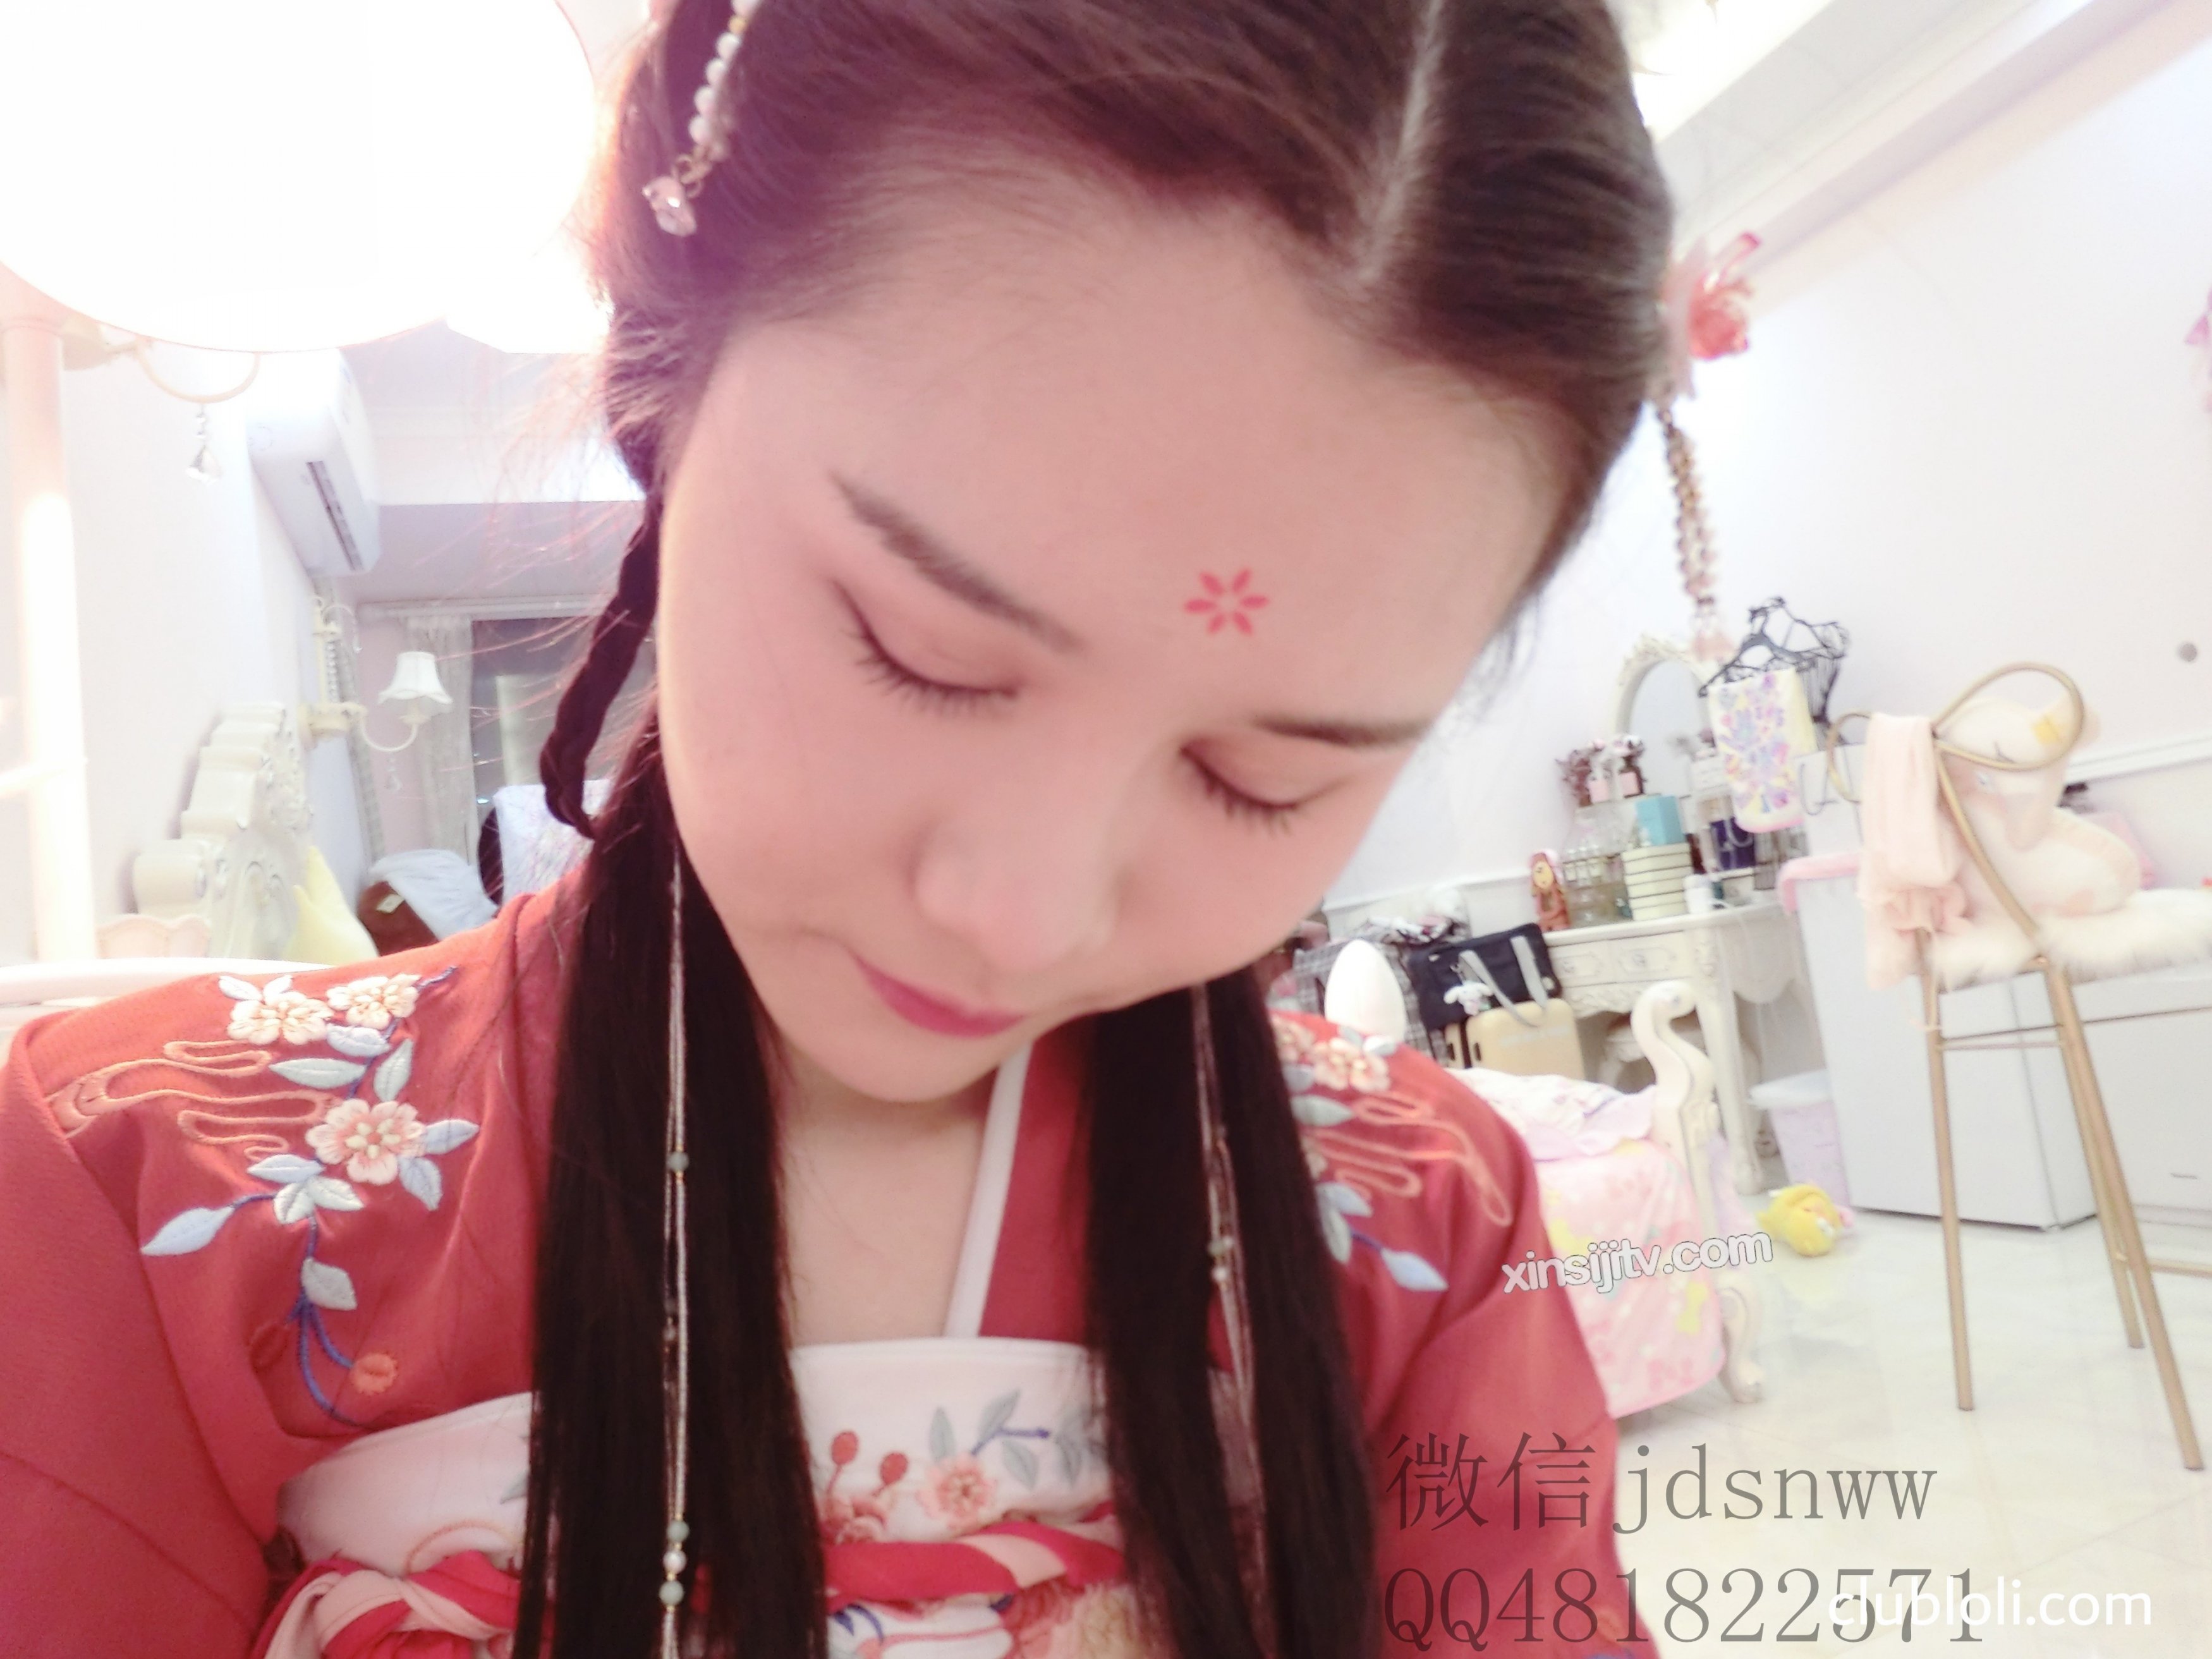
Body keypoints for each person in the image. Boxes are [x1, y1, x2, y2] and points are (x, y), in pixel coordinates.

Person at [0, 1, 1672, 1655]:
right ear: (660, 397)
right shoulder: (139, 1195)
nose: (1019, 913)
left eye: (1260, 778)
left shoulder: (1428, 1223)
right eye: (922, 651)